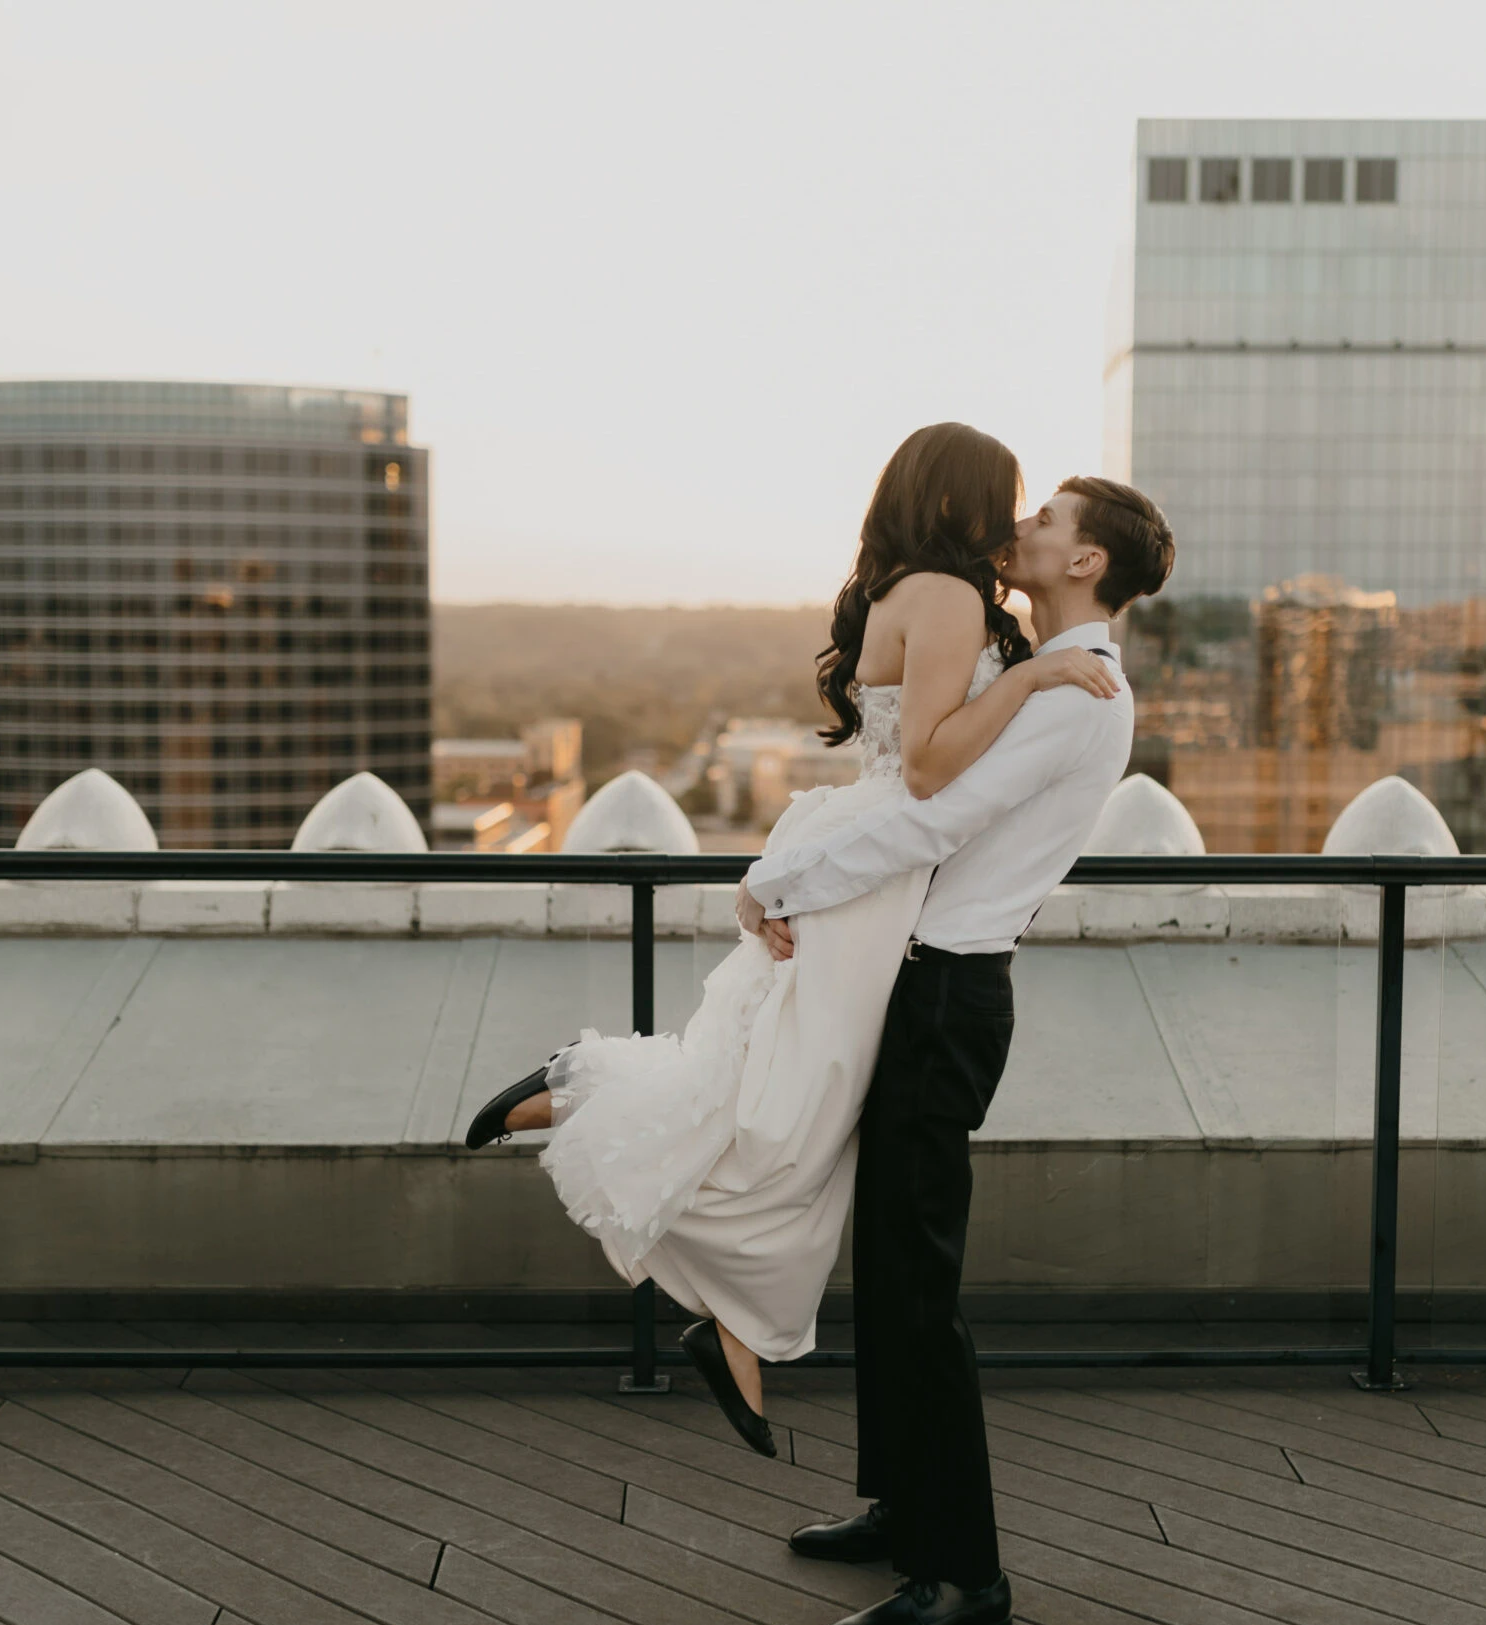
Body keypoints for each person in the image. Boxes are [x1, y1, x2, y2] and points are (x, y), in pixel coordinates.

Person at [460, 422, 1120, 1456]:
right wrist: (1028, 681)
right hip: (876, 871)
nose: (1014, 520)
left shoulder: (912, 587)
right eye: (1007, 499)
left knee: (793, 1092)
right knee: (797, 1106)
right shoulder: (947, 598)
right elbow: (934, 772)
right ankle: (649, 1188)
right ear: (959, 500)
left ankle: (726, 1305)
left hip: (871, 861)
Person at [750, 472, 1173, 1625]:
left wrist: (777, 885)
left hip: (946, 995)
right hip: (927, 980)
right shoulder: (1053, 674)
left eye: (1048, 522)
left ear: (1087, 565)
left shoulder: (1079, 690)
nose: (1022, 526)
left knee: (917, 1286)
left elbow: (935, 821)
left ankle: (961, 1574)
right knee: (889, 1263)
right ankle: (900, 1508)